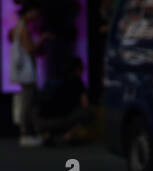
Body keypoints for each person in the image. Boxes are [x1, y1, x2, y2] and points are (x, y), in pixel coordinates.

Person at [35, 56, 93, 145]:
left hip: (41, 120)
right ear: (78, 69)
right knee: (88, 112)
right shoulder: (77, 82)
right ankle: (67, 136)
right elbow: (85, 104)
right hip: (60, 119)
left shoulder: (56, 79)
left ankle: (47, 135)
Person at [10, 3, 41, 146]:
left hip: (23, 70)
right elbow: (30, 48)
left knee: (28, 101)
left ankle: (30, 131)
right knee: (27, 102)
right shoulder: (22, 28)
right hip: (26, 71)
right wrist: (42, 39)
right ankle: (25, 132)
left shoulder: (18, 27)